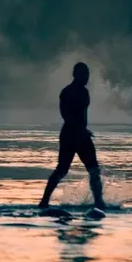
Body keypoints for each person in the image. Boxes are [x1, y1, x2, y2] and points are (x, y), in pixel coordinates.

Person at [38, 61, 106, 210]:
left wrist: (83, 131)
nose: (86, 77)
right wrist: (80, 130)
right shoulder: (67, 92)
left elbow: (83, 115)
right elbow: (66, 116)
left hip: (82, 136)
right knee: (62, 169)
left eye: (87, 74)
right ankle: (44, 201)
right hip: (69, 135)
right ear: (76, 75)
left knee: (94, 170)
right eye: (83, 74)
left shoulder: (85, 92)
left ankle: (99, 202)